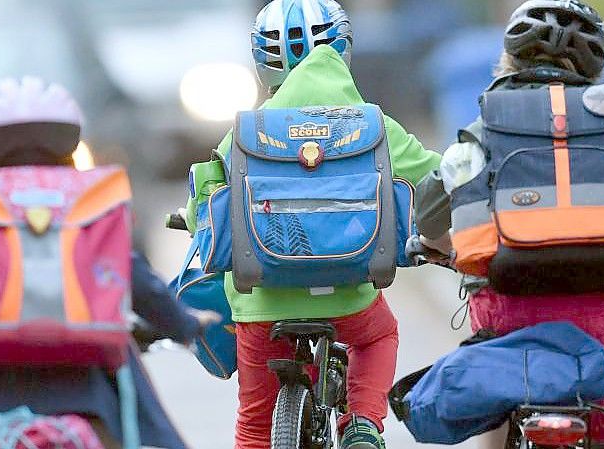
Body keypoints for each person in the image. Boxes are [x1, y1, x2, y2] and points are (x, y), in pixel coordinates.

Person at [0, 77, 219, 449]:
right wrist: (183, 325)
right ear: (69, 143)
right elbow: (134, 277)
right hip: (87, 397)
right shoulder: (87, 200)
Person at [183, 1, 441, 448]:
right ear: (341, 47)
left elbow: (204, 199)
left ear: (264, 62)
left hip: (263, 304)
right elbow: (437, 178)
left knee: (253, 427)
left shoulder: (247, 131)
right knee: (380, 335)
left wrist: (190, 219)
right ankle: (362, 424)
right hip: (349, 297)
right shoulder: (374, 125)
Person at [414, 1, 604, 444]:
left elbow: (430, 208)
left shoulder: (487, 126)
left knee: (498, 401)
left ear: (509, 59)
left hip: (505, 311)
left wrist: (438, 245)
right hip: (598, 319)